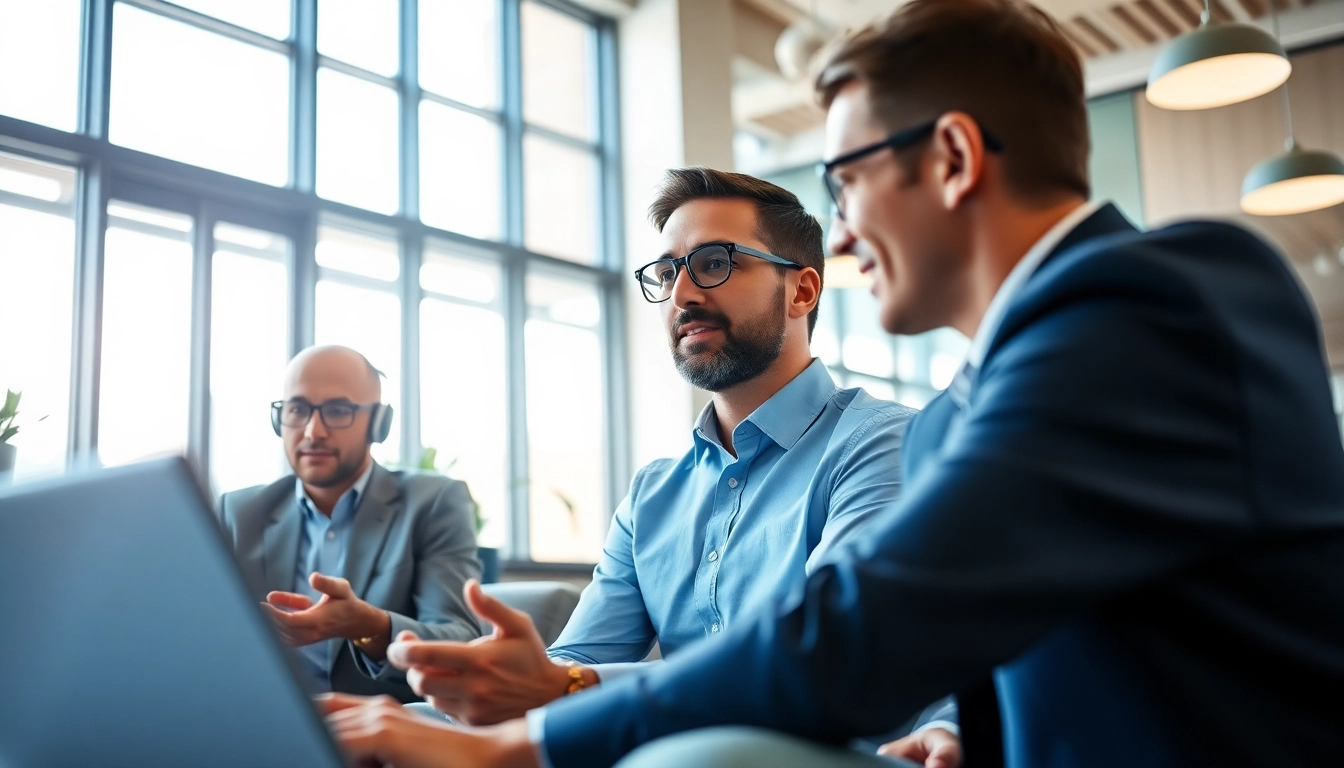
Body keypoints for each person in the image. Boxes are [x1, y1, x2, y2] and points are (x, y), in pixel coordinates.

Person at [317, 0, 1344, 766]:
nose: (844, 234)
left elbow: (869, 631)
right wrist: (964, 732)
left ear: (952, 157)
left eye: (846, 182)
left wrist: (522, 748)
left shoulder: (1153, 300)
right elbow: (1003, 642)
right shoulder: (959, 417)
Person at [358, 168, 953, 753]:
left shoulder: (881, 445)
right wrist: (479, 686)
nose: (682, 295)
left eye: (714, 263)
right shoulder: (653, 493)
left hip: (824, 753)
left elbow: (824, 657)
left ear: (801, 291)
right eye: (667, 274)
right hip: (674, 747)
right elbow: (579, 659)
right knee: (375, 733)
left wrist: (569, 687)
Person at [217, 344, 482, 703]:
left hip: (382, 723)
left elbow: (461, 641)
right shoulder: (238, 512)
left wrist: (370, 627)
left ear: (379, 423)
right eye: (297, 409)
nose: (313, 431)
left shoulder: (432, 504)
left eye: (337, 411)